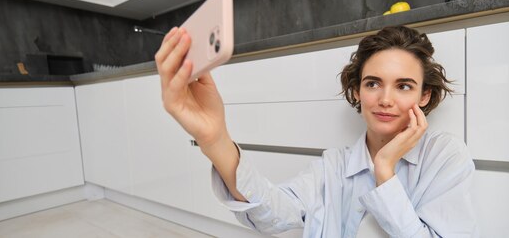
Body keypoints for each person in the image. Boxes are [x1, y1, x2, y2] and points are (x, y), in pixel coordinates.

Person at [156, 25, 478, 237]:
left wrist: (384, 171)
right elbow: (272, 213)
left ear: (425, 95)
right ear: (356, 92)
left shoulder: (445, 156)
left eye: (404, 86)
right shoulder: (334, 165)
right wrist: (215, 139)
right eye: (372, 83)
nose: (385, 99)